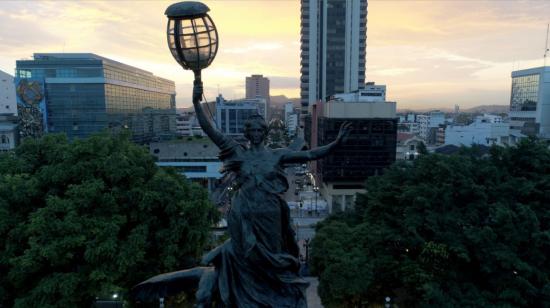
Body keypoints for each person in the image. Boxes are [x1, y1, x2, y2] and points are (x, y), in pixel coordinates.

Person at [191, 81, 351, 308]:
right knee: (245, 257)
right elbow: (210, 130)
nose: (255, 134)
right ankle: (247, 297)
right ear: (247, 133)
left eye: (259, 130)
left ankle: (278, 296)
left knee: (276, 257)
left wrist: (335, 144)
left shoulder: (278, 155)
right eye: (252, 130)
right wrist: (196, 102)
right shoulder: (237, 152)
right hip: (244, 214)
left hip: (270, 215)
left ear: (265, 133)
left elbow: (311, 155)